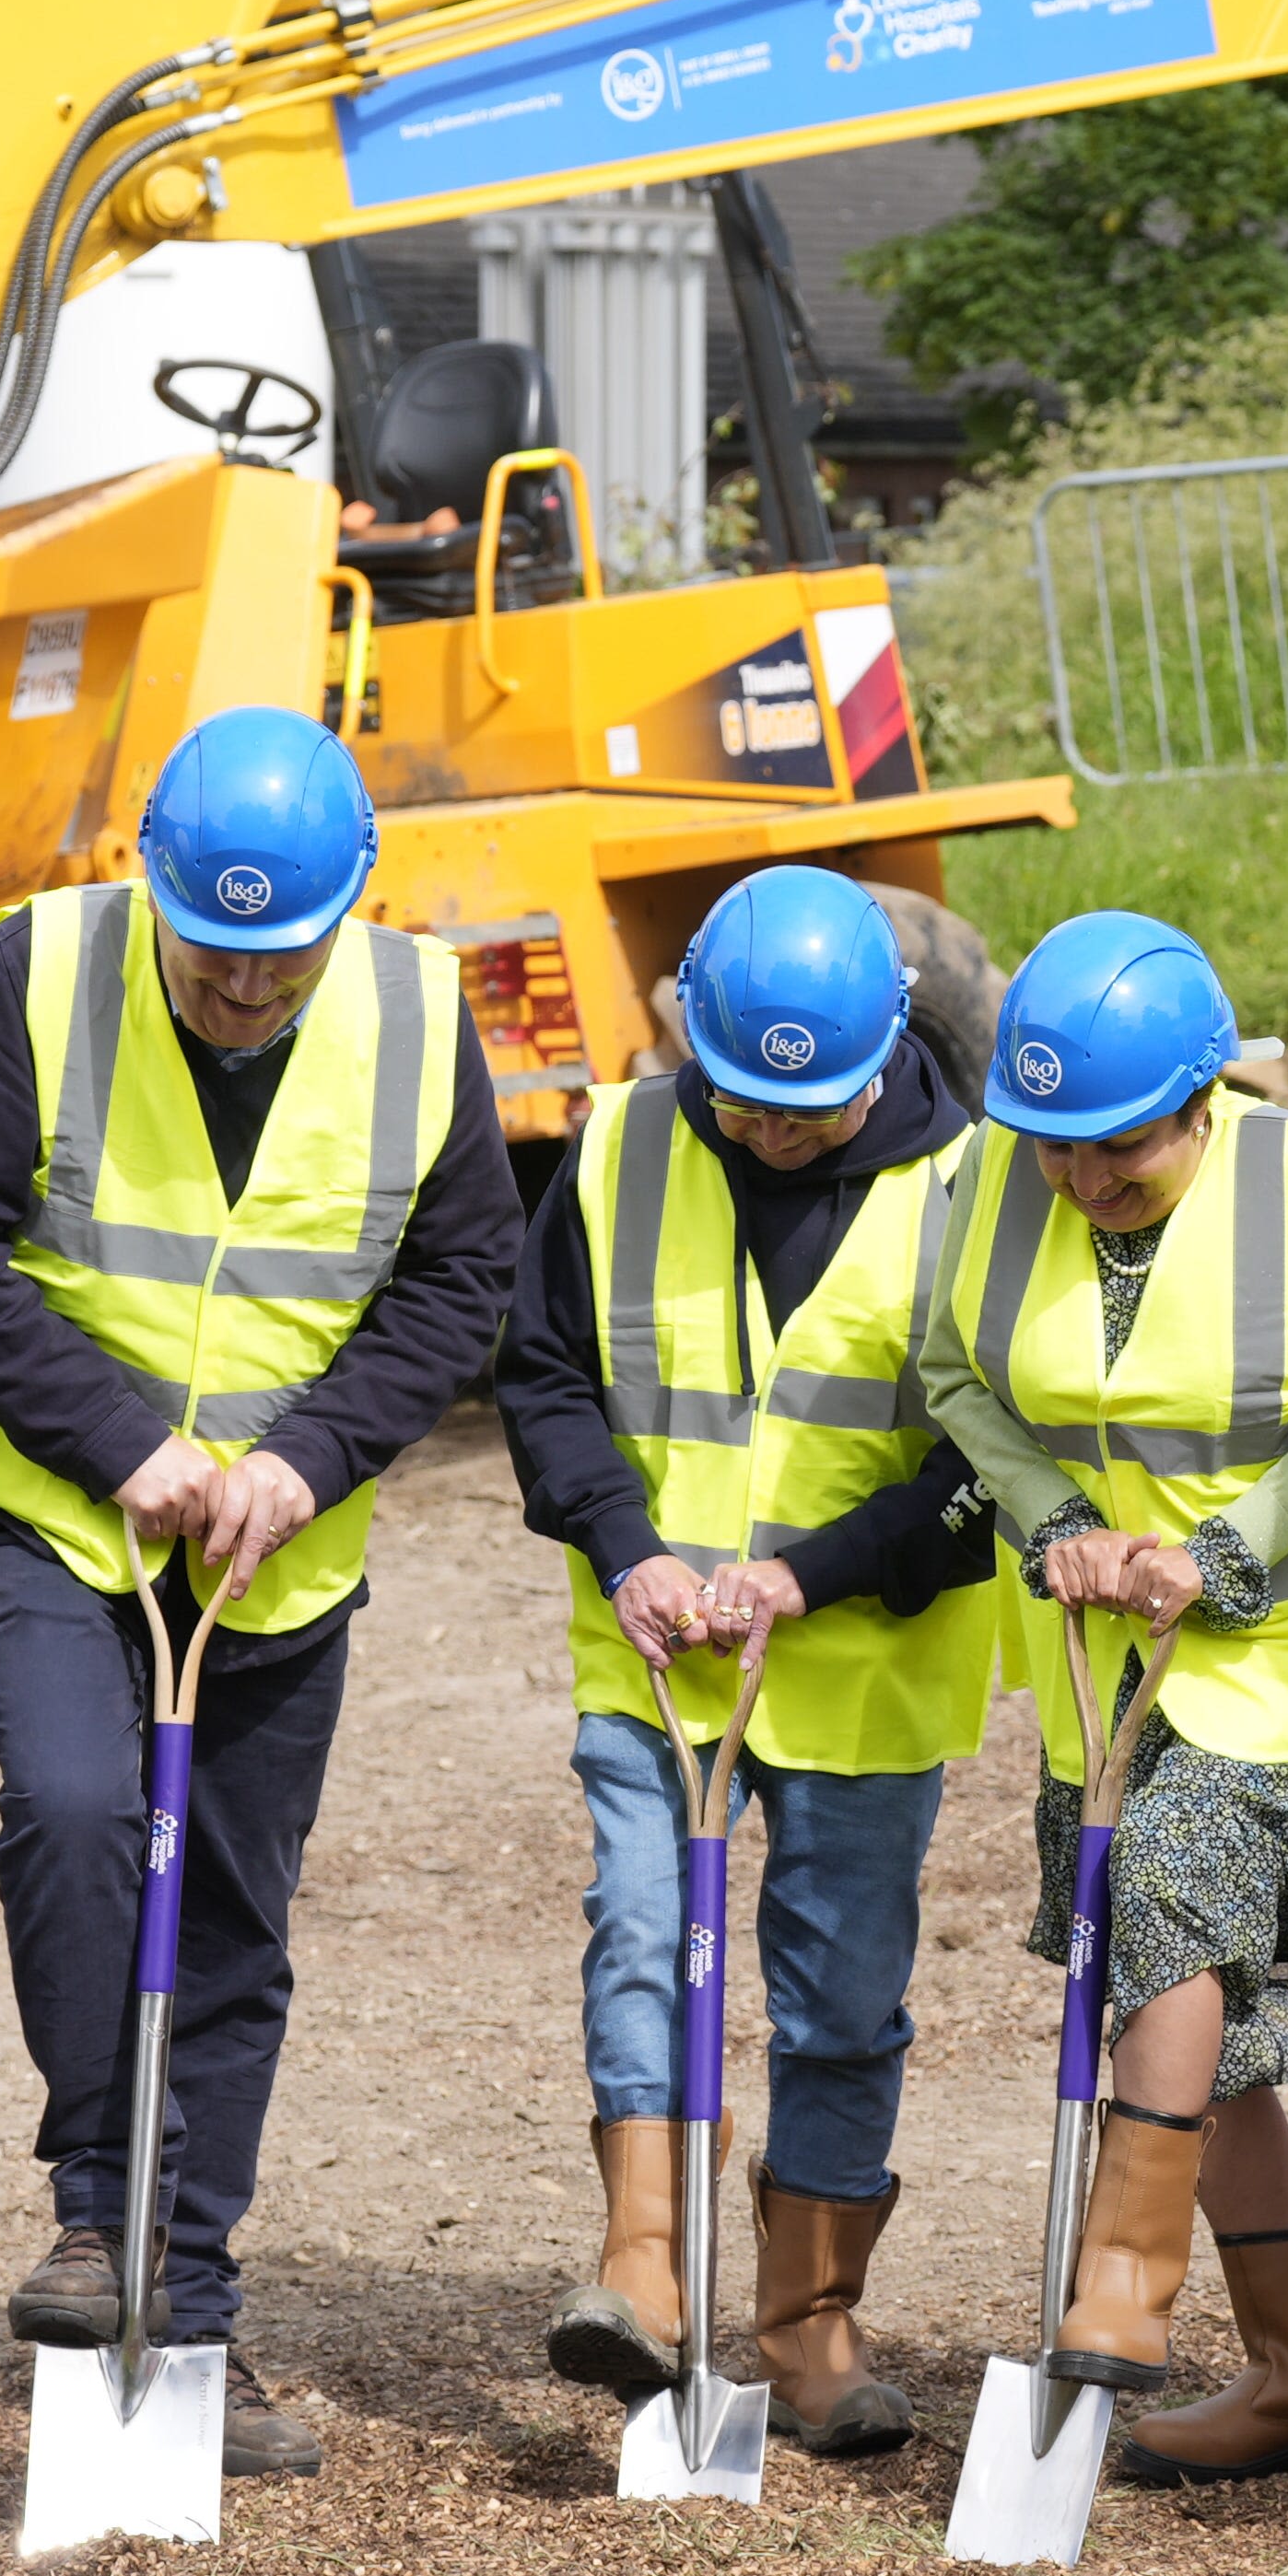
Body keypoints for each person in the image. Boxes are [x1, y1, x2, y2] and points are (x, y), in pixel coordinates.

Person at [0, 705, 519, 2484]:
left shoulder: (410, 1014)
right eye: (213, 952)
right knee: (75, 1813)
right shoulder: (43, 970)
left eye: (278, 955)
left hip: (277, 1546)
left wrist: (309, 1456)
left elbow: (468, 1275)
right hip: (60, 1513)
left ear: (348, 906)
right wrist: (116, 1441)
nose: (244, 988)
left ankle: (196, 2310)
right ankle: (100, 2213)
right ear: (148, 885)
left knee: (231, 1913)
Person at [918, 913, 1288, 2487]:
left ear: (1202, 1098)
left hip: (1281, 1638)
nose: (1080, 1181)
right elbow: (953, 1375)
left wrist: (1225, 1547)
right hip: (1102, 1649)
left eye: (1119, 1152)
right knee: (1185, 2000)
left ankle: (1119, 2281)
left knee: (1168, 1888)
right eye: (1056, 1147)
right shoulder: (992, 1175)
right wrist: (1051, 1521)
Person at [495, 867, 998, 2456]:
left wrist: (809, 1573)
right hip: (653, 1648)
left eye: (810, 1111)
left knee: (840, 1995)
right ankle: (643, 2272)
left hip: (862, 1664)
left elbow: (990, 1458)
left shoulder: (981, 1189)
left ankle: (806, 2323)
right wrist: (626, 1545)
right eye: (744, 1100)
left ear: (885, 1054)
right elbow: (546, 1373)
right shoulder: (622, 1141)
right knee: (640, 1931)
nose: (770, 1132)